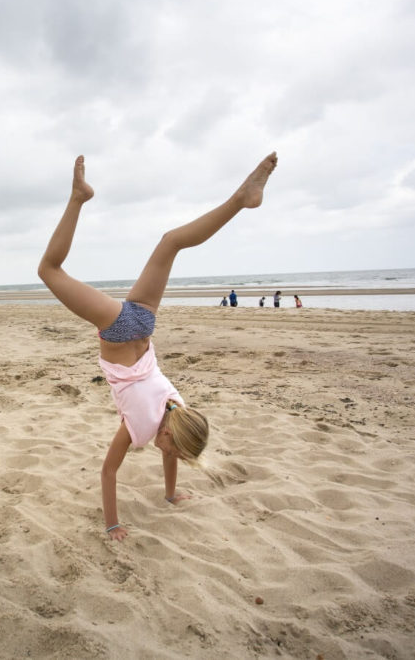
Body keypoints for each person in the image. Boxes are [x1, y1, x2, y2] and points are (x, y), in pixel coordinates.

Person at [38, 152, 277, 541]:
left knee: (171, 241)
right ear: (168, 435)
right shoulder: (143, 426)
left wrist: (171, 493)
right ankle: (78, 198)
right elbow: (108, 471)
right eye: (175, 451)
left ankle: (240, 199)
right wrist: (112, 524)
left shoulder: (178, 407)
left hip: (143, 322)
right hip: (117, 330)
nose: (169, 454)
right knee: (49, 270)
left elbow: (170, 449)